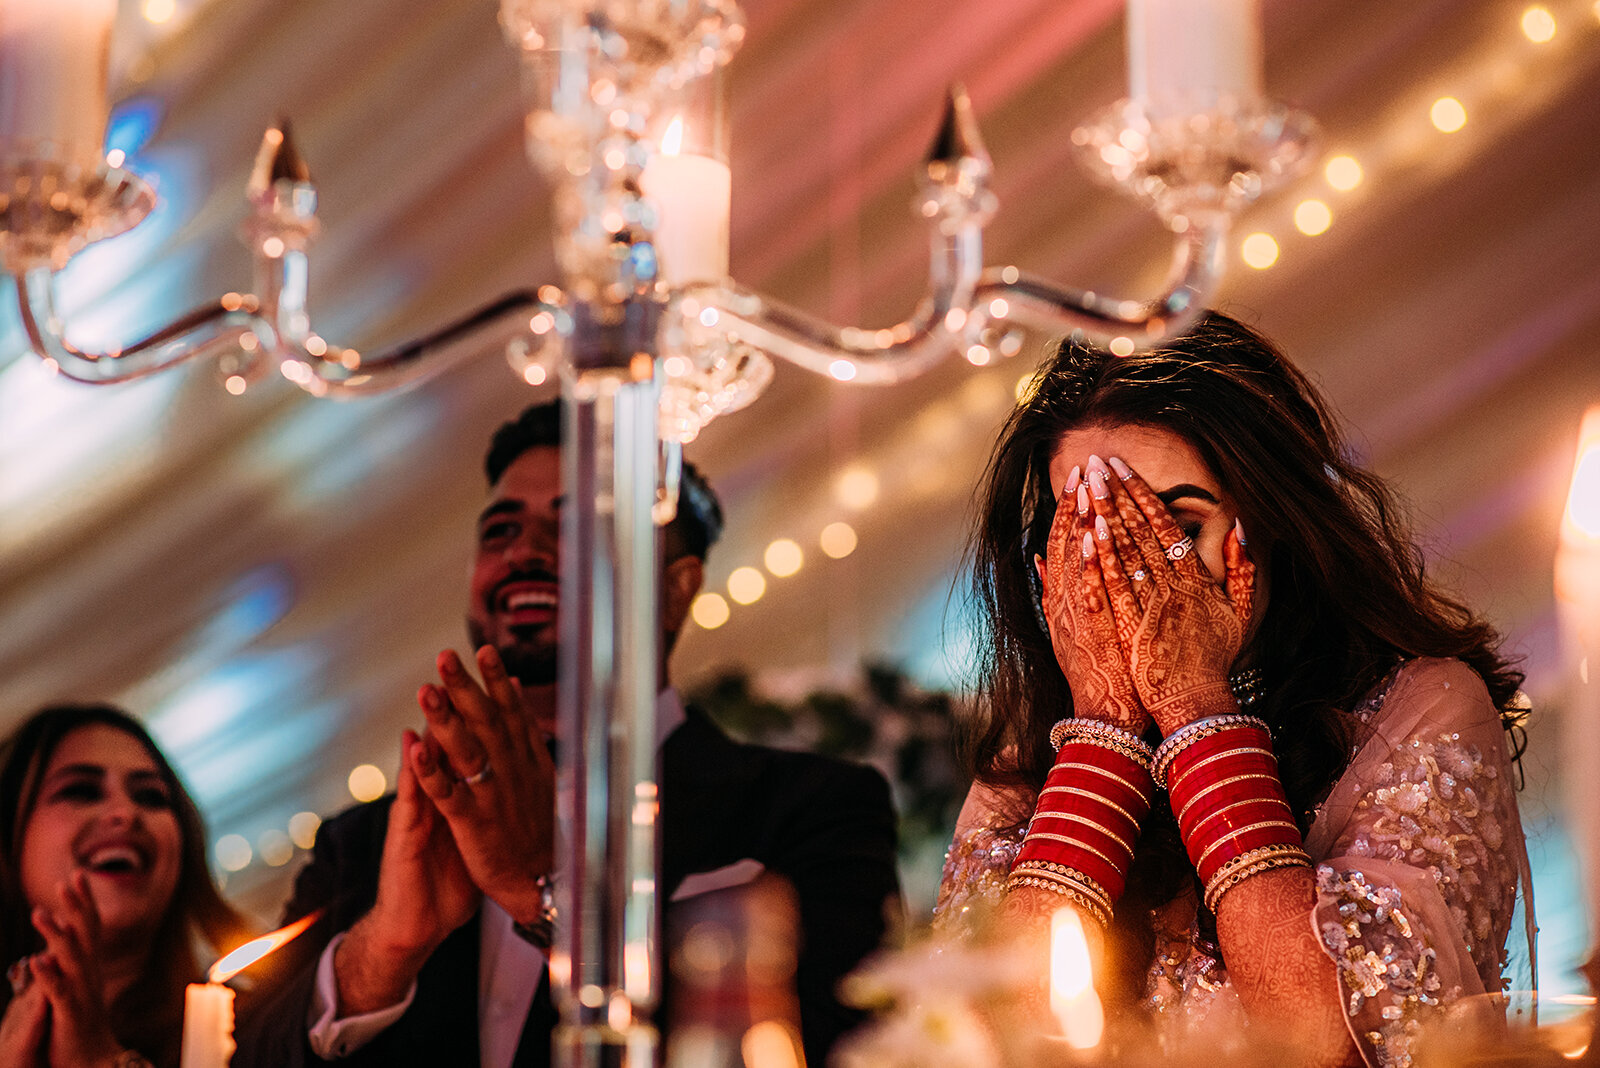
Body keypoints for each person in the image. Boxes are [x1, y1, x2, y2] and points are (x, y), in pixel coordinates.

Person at [934, 312, 1532, 1066]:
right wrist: (1108, 726)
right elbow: (978, 1042)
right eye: (1088, 536)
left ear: (1270, 521)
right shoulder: (1034, 758)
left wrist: (1193, 706)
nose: (1136, 574)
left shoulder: (1417, 709)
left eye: (1176, 526)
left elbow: (1324, 1040)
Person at [237, 401, 901, 1068]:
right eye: (500, 532)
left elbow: (842, 1050)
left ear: (676, 589)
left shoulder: (811, 809)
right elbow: (239, 1055)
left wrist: (544, 892)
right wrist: (382, 952)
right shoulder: (364, 846)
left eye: (580, 527)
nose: (525, 553)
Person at [0, 704, 252, 1068]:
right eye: (82, 790)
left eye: (151, 796)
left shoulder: (260, 1030)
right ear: (11, 835)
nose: (125, 813)